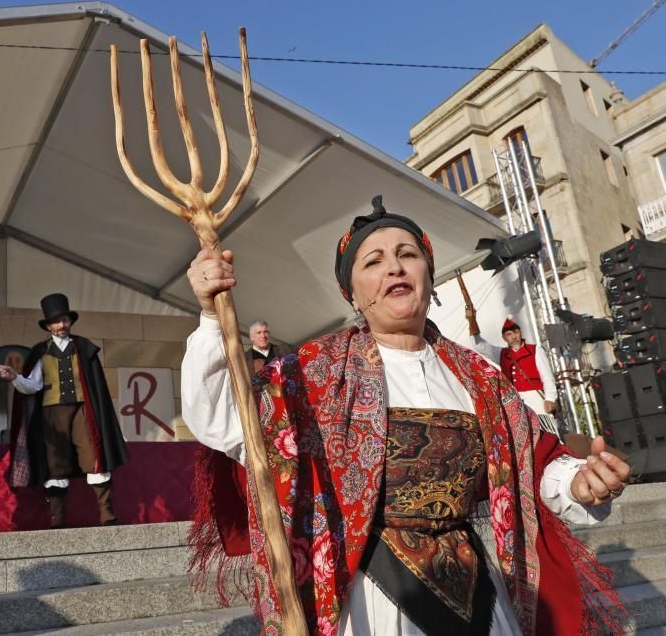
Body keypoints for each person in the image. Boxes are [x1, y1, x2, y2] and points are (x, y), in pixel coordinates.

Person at [181, 196, 629, 635]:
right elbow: (225, 421)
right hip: (368, 597)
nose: (394, 268)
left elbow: (534, 462)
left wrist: (580, 481)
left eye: (408, 255)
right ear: (352, 293)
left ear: (428, 277)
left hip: (478, 589)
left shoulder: (479, 377)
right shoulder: (313, 371)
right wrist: (208, 314)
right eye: (373, 262)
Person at [0, 293, 128, 528]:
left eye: (65, 320)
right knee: (55, 464)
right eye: (56, 321)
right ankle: (58, 520)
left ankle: (107, 516)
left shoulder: (84, 348)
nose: (62, 325)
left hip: (82, 412)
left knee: (94, 458)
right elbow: (32, 386)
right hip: (51, 416)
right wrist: (15, 377)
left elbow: (96, 389)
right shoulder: (40, 352)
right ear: (48, 326)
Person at [469, 313, 560, 435]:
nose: (514, 337)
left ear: (520, 332)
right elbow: (479, 345)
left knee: (546, 432)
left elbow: (547, 377)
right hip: (513, 400)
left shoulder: (534, 350)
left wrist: (550, 398)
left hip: (535, 397)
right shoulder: (502, 353)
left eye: (516, 332)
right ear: (504, 338)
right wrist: (471, 320)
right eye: (509, 334)